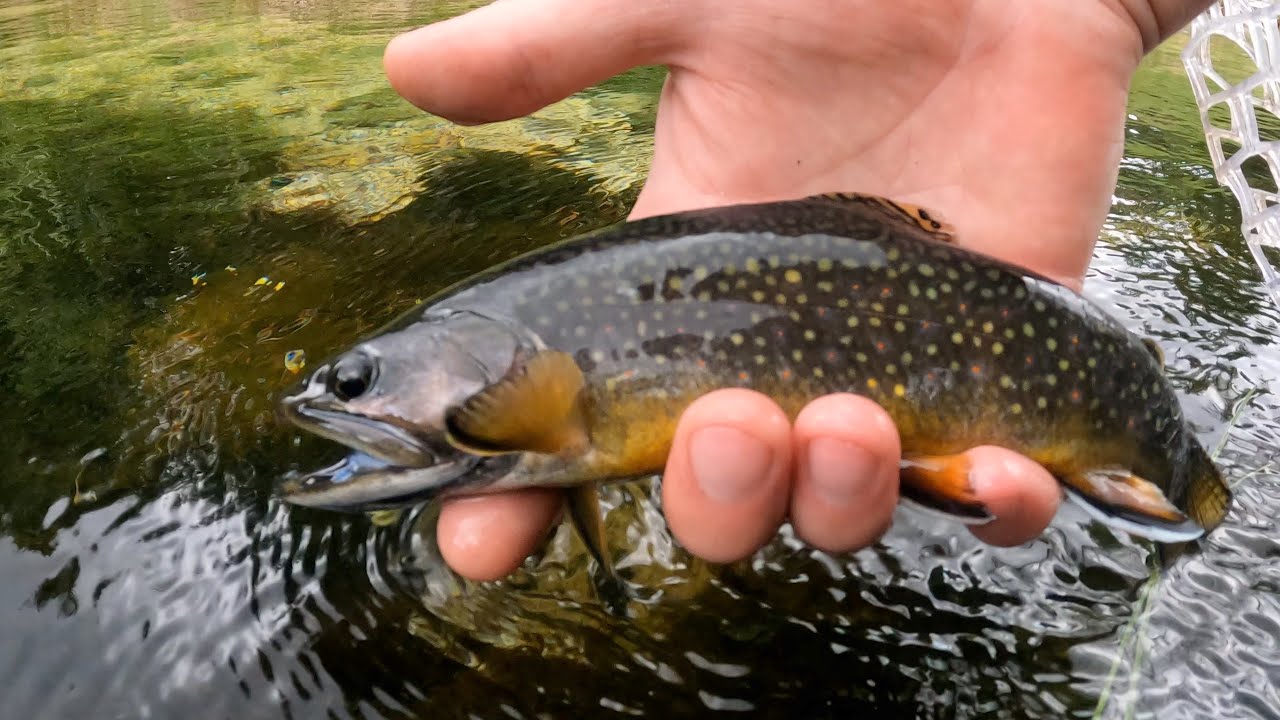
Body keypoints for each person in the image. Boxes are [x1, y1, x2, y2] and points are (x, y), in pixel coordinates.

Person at [381, 0, 1216, 581]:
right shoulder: (528, 365)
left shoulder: (527, 381)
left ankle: (1201, 507)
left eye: (361, 382)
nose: (359, 398)